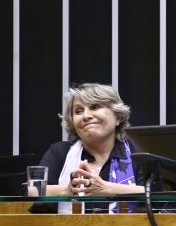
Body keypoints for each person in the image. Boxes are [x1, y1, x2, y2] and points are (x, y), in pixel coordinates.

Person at [36, 83, 145, 213]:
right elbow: (32, 190)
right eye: (78, 111)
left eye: (94, 107)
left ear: (118, 117)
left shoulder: (138, 151)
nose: (86, 116)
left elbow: (163, 195)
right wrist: (67, 190)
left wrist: (108, 189)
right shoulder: (60, 152)